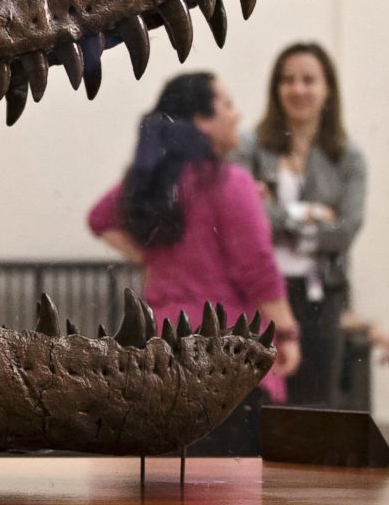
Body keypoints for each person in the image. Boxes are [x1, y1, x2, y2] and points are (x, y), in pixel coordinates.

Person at [88, 72, 300, 455]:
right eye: (228, 105)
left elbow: (99, 219)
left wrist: (150, 254)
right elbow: (256, 268)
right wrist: (286, 334)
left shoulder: (149, 184)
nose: (237, 116)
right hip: (229, 360)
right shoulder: (230, 182)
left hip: (158, 356)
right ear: (202, 120)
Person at [234, 42, 366, 408]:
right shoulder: (249, 147)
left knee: (315, 405)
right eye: (288, 80)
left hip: (323, 294)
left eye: (309, 80)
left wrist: (281, 215)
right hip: (261, 294)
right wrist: (312, 215)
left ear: (328, 90)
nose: (298, 89)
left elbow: (346, 229)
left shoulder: (348, 156)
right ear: (276, 89)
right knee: (258, 402)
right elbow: (246, 220)